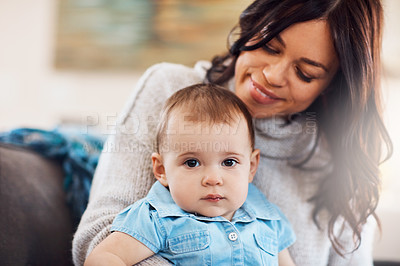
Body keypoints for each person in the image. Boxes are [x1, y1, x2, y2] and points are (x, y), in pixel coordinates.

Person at [73, 0, 393, 265]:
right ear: (252, 28)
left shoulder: (337, 158)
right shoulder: (170, 89)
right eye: (269, 46)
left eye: (305, 73)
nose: (271, 75)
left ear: (331, 86)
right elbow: (101, 239)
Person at [84, 84, 296, 266]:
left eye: (229, 162)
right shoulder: (158, 218)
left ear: (251, 167)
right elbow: (104, 257)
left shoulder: (268, 218)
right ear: (162, 170)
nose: (213, 179)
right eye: (192, 162)